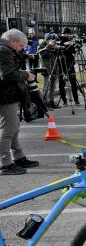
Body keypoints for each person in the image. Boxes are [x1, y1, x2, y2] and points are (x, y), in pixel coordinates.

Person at [0, 29, 40, 175]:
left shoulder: (6, 49)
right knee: (8, 130)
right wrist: (26, 75)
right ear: (13, 41)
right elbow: (7, 74)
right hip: (5, 95)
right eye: (21, 46)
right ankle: (5, 163)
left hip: (9, 94)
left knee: (14, 128)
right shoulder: (4, 51)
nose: (21, 49)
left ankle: (18, 157)